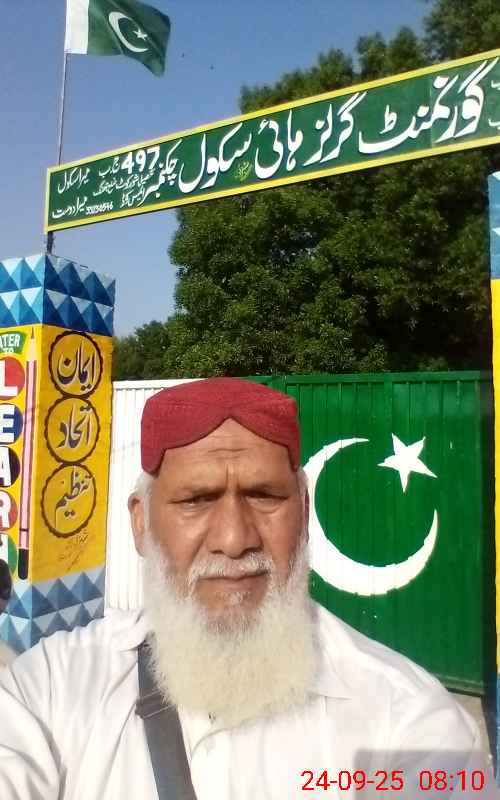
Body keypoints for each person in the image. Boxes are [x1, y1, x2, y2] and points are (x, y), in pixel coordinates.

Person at [0, 377, 495, 799]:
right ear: (141, 524)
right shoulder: (47, 692)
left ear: (304, 513)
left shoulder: (408, 722)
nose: (235, 540)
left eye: (264, 496)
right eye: (196, 500)